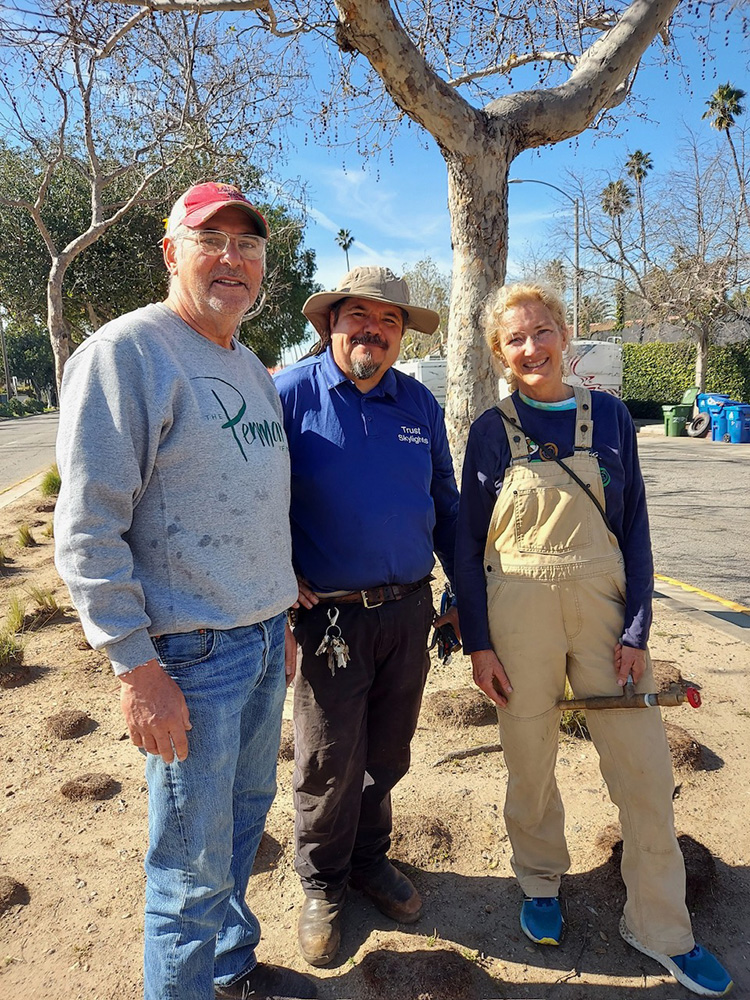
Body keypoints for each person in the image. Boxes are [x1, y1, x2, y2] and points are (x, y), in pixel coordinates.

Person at [54, 182, 316, 1000]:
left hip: (263, 640)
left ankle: (230, 971)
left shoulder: (247, 366)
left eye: (248, 245)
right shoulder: (128, 353)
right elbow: (88, 527)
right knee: (186, 872)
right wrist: (137, 670)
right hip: (190, 659)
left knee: (240, 830)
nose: (232, 259)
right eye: (212, 241)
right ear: (172, 252)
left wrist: (281, 607)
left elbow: (253, 502)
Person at [454, 281, 733, 998]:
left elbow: (635, 528)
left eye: (542, 330)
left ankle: (661, 925)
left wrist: (638, 630)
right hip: (517, 619)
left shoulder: (609, 418)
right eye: (514, 339)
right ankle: (540, 881)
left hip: (607, 619)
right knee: (530, 757)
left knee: (643, 772)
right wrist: (478, 643)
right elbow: (464, 543)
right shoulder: (489, 432)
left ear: (564, 333)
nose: (531, 347)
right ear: (498, 353)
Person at [274, 266, 460, 967]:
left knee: (386, 753)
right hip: (330, 620)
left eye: (389, 321)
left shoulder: (418, 405)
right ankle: (323, 885)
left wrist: (462, 591)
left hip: (409, 613)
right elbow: (256, 499)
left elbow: (445, 503)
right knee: (327, 761)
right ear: (331, 323)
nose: (373, 331)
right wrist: (277, 568)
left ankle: (369, 860)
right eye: (359, 316)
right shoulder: (287, 396)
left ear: (401, 335)